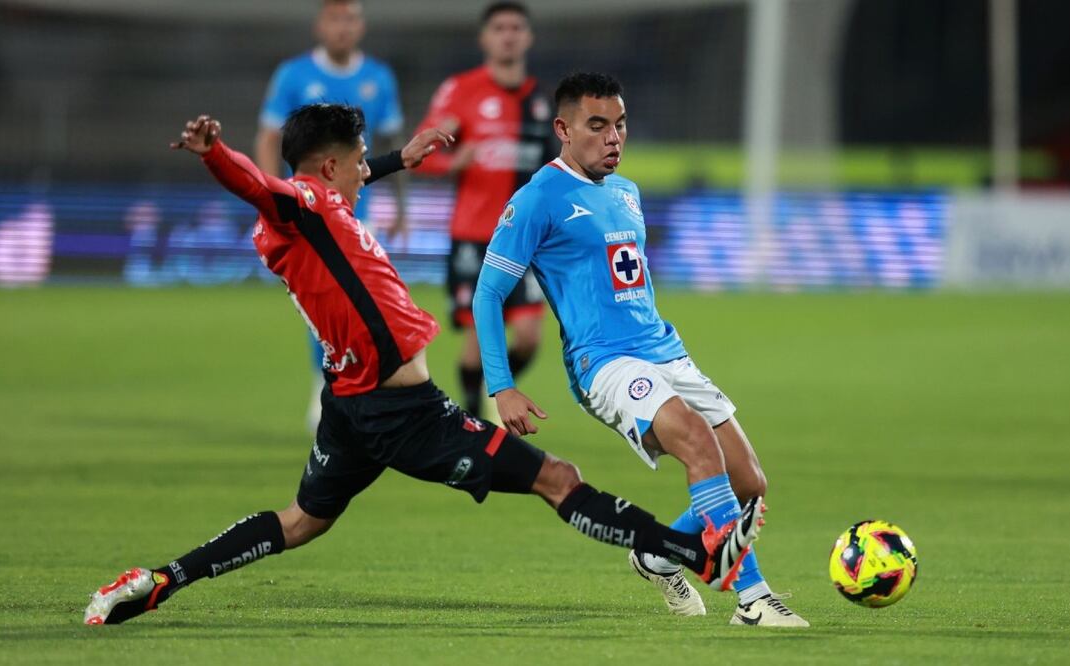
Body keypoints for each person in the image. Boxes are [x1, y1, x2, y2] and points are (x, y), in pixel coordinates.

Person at [82, 105, 762, 625]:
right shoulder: (308, 205)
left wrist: (398, 159)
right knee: (558, 478)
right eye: (354, 164)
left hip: (349, 405)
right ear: (325, 171)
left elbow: (326, 184)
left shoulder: (323, 206)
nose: (360, 175)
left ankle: (162, 580)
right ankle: (691, 553)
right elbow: (264, 187)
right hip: (403, 414)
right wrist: (215, 155)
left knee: (302, 520)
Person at [472, 73, 808, 627]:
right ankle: (753, 599)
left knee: (749, 484)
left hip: (665, 351)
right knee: (698, 443)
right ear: (563, 128)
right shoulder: (537, 199)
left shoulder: (627, 193)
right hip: (602, 362)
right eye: (597, 125)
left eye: (620, 125)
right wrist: (501, 385)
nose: (613, 138)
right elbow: (487, 294)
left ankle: (657, 553)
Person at [254, 0, 407, 430]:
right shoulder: (293, 75)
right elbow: (267, 138)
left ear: (361, 26)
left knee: (365, 303)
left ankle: (359, 387)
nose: (344, 27)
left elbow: (391, 138)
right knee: (324, 305)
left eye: (352, 19)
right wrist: (273, 199)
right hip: (308, 211)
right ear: (321, 24)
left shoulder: (379, 78)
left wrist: (401, 205)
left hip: (361, 210)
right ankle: (325, 388)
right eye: (336, 18)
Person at [414, 1, 554, 419]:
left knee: (529, 336)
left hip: (527, 237)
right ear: (485, 38)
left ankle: (501, 393)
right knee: (478, 335)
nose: (508, 35)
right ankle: (474, 414)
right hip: (475, 235)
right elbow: (421, 154)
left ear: (527, 37)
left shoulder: (542, 102)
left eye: (516, 27)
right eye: (499, 28)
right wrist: (450, 161)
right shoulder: (460, 91)